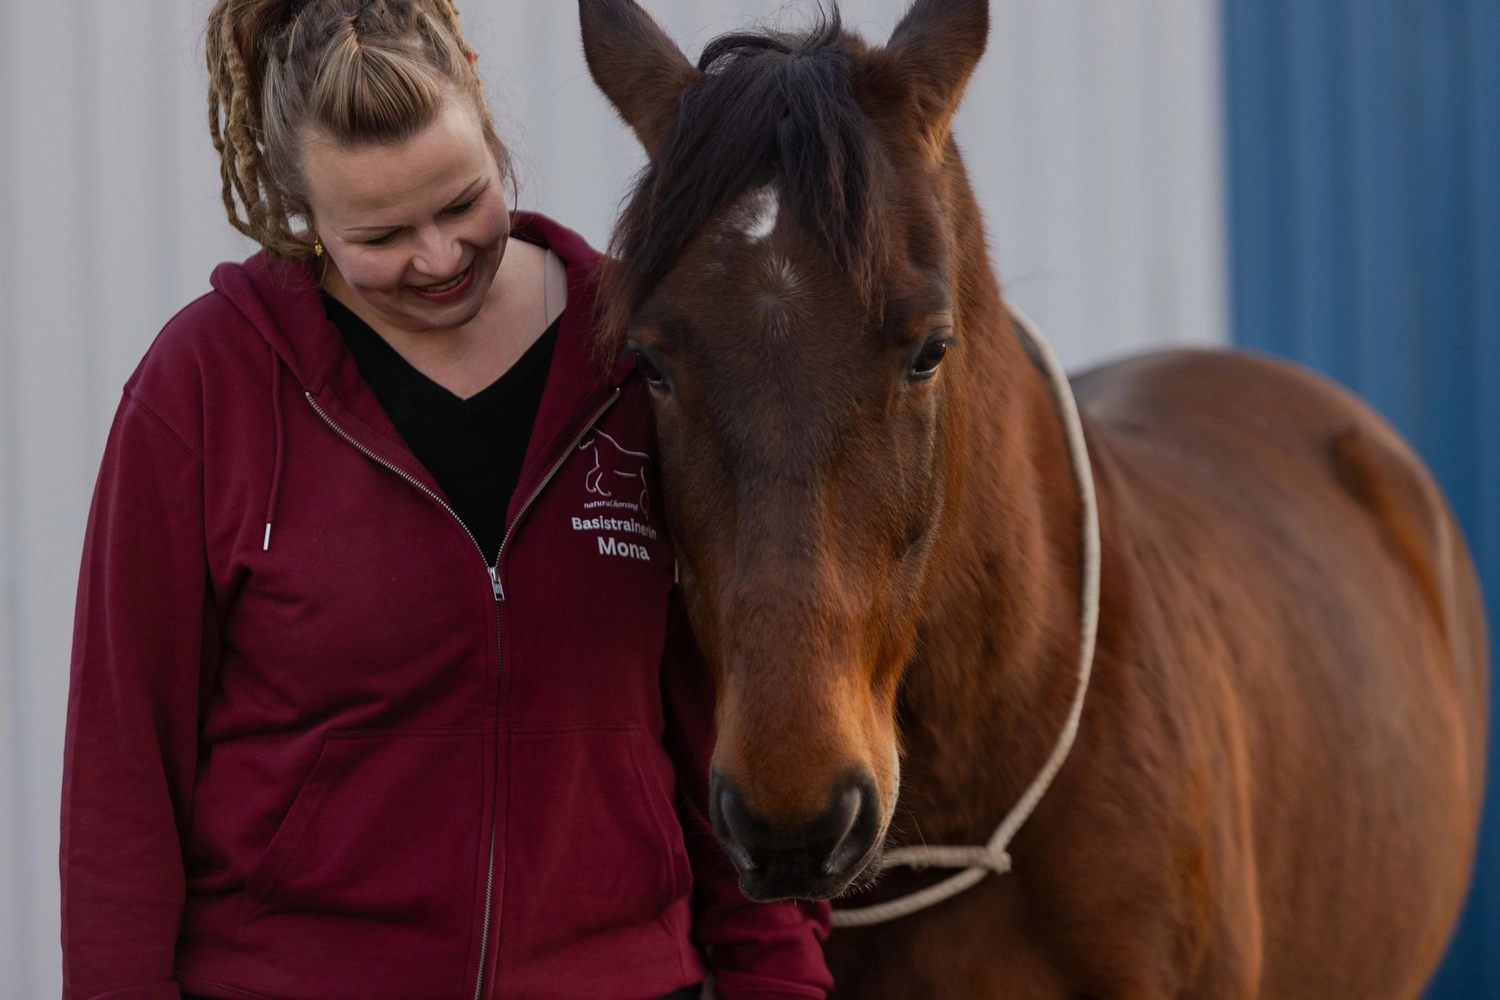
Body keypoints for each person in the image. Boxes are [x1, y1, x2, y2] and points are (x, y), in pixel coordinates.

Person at [58, 1, 833, 997]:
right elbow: (124, 773)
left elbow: (730, 713)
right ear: (300, 213)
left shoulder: (645, 361)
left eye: (463, 200)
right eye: (378, 234)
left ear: (482, 104)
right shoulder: (205, 388)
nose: (437, 256)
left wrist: (783, 981)